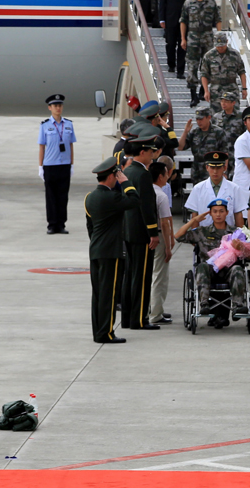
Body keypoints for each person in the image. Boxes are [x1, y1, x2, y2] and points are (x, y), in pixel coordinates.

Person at [84, 157, 140, 343]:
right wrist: (126, 182)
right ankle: (106, 333)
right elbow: (134, 200)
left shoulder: (89, 198)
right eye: (116, 175)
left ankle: (98, 332)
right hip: (111, 252)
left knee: (98, 294)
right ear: (110, 176)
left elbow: (90, 227)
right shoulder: (112, 197)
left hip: (96, 250)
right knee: (109, 294)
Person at [175, 199, 247, 327]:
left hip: (228, 271)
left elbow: (248, 254)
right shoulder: (203, 231)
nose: (218, 214)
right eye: (215, 212)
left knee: (238, 269)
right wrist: (194, 220)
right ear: (210, 214)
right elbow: (178, 236)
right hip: (209, 271)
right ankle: (204, 304)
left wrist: (241, 247)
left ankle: (238, 306)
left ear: (227, 213)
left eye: (221, 211)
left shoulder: (236, 232)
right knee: (202, 266)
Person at [121, 133, 162, 331]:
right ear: (143, 152)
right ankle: (139, 319)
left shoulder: (128, 172)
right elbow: (147, 207)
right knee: (142, 277)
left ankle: (129, 318)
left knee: (131, 275)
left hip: (129, 231)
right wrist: (153, 232)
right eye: (151, 151)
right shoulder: (143, 175)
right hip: (142, 233)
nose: (153, 154)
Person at [180, 0, 222, 107]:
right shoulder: (188, 3)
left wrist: (218, 36)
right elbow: (183, 21)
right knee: (192, 66)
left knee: (207, 65)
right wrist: (183, 38)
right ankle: (193, 95)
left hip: (207, 37)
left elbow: (218, 20)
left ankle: (202, 91)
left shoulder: (211, 3)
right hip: (193, 37)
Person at [38, 94, 76, 234]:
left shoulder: (69, 124)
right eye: (55, 106)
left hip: (64, 165)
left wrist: (71, 164)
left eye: (60, 105)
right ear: (50, 108)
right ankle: (52, 224)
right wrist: (40, 167)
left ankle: (61, 224)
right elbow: (42, 147)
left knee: (63, 196)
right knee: (51, 196)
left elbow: (71, 145)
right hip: (50, 165)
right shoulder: (45, 125)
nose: (58, 108)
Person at [185, 151, 247, 228]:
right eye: (212, 167)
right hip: (205, 235)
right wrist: (196, 237)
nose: (215, 171)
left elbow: (238, 215)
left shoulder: (234, 188)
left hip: (228, 235)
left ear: (224, 168)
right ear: (207, 167)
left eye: (218, 168)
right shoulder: (198, 188)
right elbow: (194, 216)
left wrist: (240, 235)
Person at [157, 0, 195, 76]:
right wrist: (162, 19)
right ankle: (171, 65)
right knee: (170, 43)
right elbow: (162, 2)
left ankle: (180, 70)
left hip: (184, 20)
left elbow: (192, 1)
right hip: (170, 18)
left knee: (182, 44)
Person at [148, 161, 175, 325]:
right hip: (158, 236)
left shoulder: (144, 192)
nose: (168, 176)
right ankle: (156, 312)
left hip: (144, 236)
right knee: (159, 276)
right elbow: (165, 223)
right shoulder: (161, 195)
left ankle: (148, 309)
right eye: (166, 173)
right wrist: (169, 244)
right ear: (160, 177)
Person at [178, 107, 228, 185]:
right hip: (197, 171)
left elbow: (225, 154)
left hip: (213, 170)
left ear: (209, 117)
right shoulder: (194, 133)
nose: (199, 122)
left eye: (201, 119)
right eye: (197, 119)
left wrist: (224, 172)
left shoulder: (218, 132)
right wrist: (185, 132)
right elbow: (180, 147)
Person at [199, 31, 247, 113]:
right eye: (218, 46)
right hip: (216, 90)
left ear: (227, 42)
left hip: (231, 89)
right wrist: (206, 91)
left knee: (234, 115)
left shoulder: (234, 54)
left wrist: (244, 88)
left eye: (222, 45)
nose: (220, 48)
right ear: (214, 43)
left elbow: (242, 72)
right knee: (216, 116)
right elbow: (204, 74)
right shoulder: (209, 56)